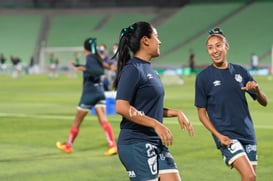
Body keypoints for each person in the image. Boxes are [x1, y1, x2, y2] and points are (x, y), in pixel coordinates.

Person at [113, 21, 194, 181]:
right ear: (145, 40)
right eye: (156, 36)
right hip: (136, 143)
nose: (160, 41)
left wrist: (175, 112)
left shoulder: (148, 69)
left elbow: (149, 108)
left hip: (155, 142)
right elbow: (121, 106)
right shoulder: (133, 69)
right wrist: (156, 124)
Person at [194, 27, 267, 181]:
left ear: (226, 47)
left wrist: (258, 90)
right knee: (249, 176)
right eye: (210, 47)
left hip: (247, 134)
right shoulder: (203, 78)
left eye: (218, 45)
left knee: (250, 179)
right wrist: (218, 136)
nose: (215, 50)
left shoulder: (241, 72)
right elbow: (201, 114)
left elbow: (264, 102)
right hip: (227, 136)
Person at [56, 37, 118, 156]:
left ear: (85, 48)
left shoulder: (90, 57)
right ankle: (112, 145)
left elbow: (97, 71)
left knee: (77, 121)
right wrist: (80, 65)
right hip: (100, 92)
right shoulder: (97, 56)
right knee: (103, 120)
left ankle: (68, 146)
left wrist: (85, 68)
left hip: (90, 93)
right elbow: (101, 67)